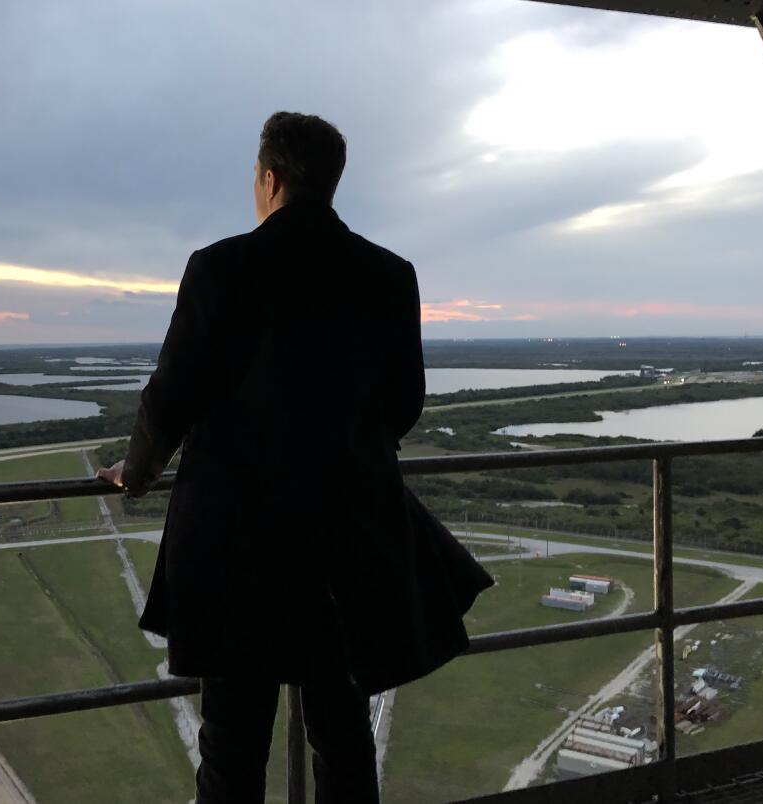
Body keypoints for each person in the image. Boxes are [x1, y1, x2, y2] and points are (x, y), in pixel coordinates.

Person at [97, 111, 483, 804]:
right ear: (330, 184)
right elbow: (404, 403)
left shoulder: (219, 268)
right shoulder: (390, 275)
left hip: (235, 547)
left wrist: (139, 473)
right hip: (347, 541)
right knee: (342, 738)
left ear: (270, 178)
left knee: (233, 750)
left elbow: (169, 400)